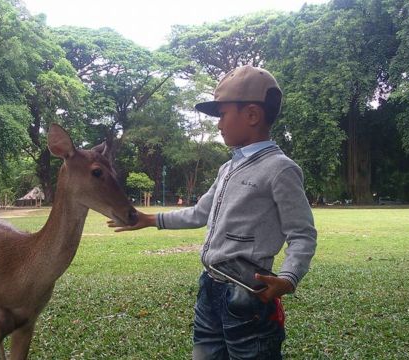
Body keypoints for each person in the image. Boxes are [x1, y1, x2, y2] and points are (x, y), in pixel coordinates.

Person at [108, 65, 317, 359]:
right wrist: (149, 220)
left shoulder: (280, 169)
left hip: (247, 296)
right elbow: (199, 213)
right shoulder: (227, 168)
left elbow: (303, 234)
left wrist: (288, 277)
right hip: (210, 288)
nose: (219, 124)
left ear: (252, 115)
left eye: (222, 114)